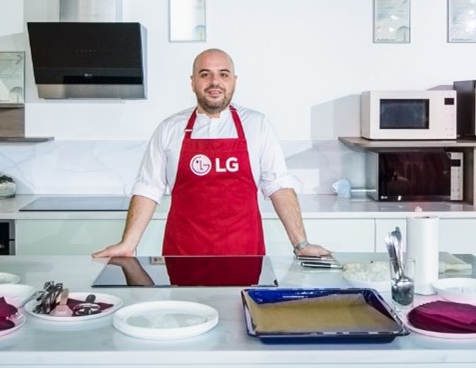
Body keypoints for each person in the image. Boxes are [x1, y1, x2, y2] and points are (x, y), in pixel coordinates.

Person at [93, 48, 331, 259]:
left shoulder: (257, 125)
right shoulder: (170, 128)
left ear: (234, 81)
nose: (214, 82)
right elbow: (148, 188)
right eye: (205, 74)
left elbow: (278, 185)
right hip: (183, 253)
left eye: (223, 74)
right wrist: (128, 244)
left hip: (244, 252)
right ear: (193, 82)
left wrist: (302, 244)